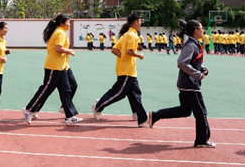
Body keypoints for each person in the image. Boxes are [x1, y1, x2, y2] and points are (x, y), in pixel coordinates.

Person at [148, 20, 214, 148]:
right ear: (195, 30)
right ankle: (201, 140)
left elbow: (193, 62)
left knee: (184, 110)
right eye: (201, 28)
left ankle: (156, 115)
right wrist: (198, 74)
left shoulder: (194, 44)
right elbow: (182, 63)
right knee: (201, 113)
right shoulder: (191, 45)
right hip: (190, 85)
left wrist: (202, 69)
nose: (203, 30)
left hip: (186, 84)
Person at [22, 14, 83, 125]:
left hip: (61, 66)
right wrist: (70, 51)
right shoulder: (60, 33)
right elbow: (58, 48)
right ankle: (29, 109)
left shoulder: (59, 32)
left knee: (66, 90)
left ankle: (69, 116)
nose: (69, 24)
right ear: (61, 23)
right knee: (46, 89)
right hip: (53, 66)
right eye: (68, 22)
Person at [91, 13, 150, 127]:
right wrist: (139, 56)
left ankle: (139, 116)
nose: (141, 23)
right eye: (140, 21)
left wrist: (124, 57)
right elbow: (129, 52)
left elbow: (118, 50)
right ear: (135, 23)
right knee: (119, 93)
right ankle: (98, 106)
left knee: (135, 93)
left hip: (129, 70)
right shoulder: (132, 36)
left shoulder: (126, 35)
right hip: (127, 70)